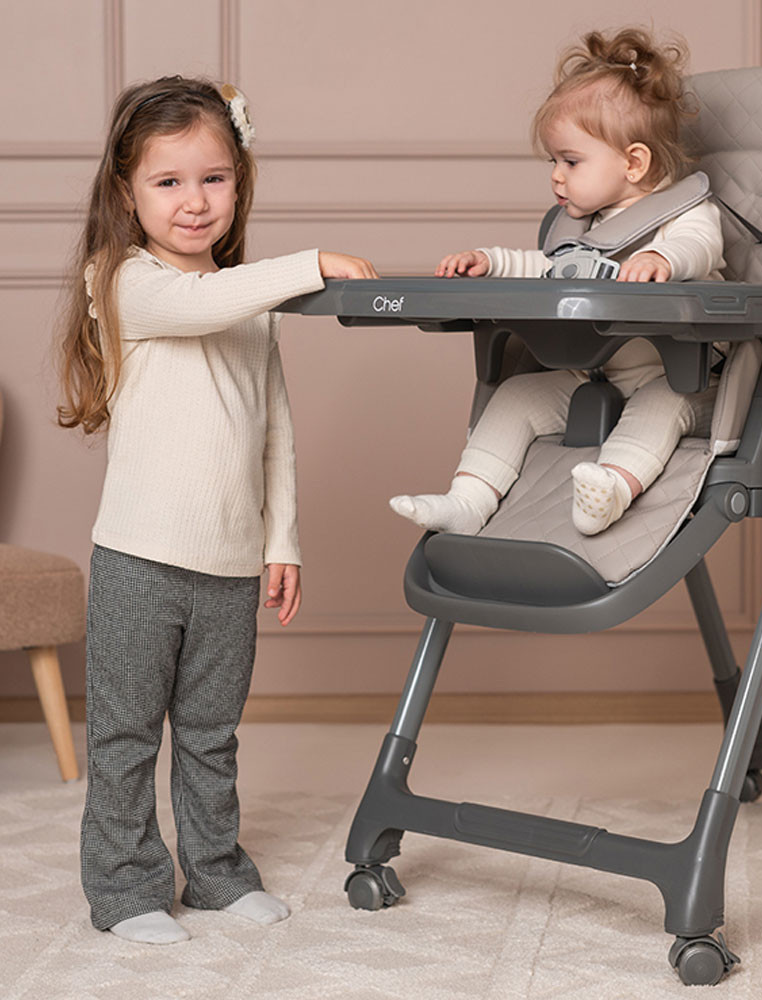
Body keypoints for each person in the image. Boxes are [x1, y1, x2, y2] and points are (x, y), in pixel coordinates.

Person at [56, 76, 377, 945]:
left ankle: (217, 874)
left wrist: (283, 542)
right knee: (126, 737)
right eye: (168, 182)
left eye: (214, 179)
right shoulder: (122, 280)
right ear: (127, 192)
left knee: (211, 734)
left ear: (240, 182)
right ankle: (125, 890)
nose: (194, 201)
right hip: (139, 560)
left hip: (230, 565)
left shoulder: (249, 301)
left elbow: (275, 431)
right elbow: (198, 305)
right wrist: (311, 264)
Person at [390, 27, 724, 537]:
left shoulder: (683, 216)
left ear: (634, 163)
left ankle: (611, 490)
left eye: (571, 161)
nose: (556, 176)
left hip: (682, 379)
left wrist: (663, 258)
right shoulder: (582, 227)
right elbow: (546, 267)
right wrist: (490, 262)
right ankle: (469, 500)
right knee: (517, 396)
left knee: (661, 407)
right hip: (595, 376)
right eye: (554, 161)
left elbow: (701, 246)